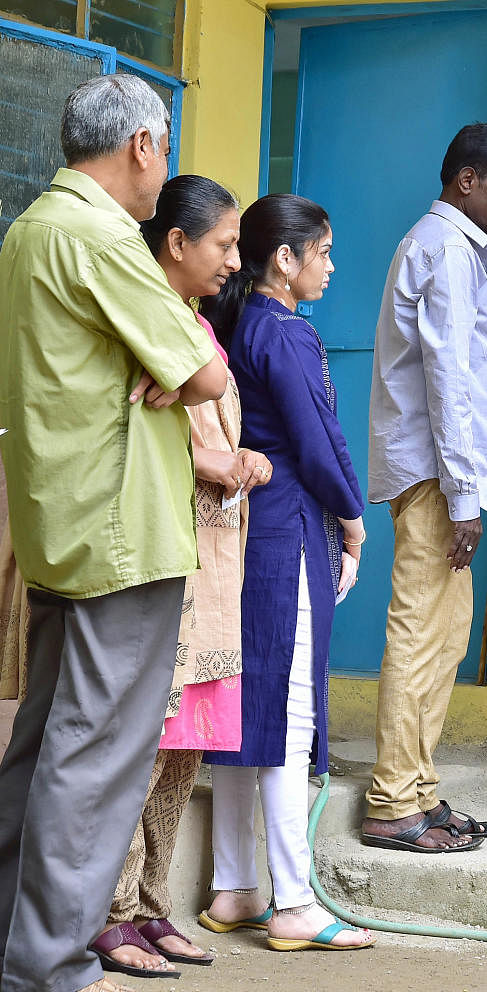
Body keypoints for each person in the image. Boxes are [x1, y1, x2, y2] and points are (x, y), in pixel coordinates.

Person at [0, 75, 227, 992]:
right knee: (94, 762)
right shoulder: (100, 235)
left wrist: (169, 365)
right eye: (162, 147)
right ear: (142, 142)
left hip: (63, 522)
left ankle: (19, 950)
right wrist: (179, 367)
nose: (162, 166)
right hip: (121, 530)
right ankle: (47, 966)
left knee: (44, 744)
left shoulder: (27, 230)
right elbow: (205, 370)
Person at [76, 175, 270, 980]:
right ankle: (110, 912)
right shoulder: (139, 319)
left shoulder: (195, 324)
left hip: (215, 558)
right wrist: (213, 460)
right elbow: (119, 423)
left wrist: (239, 458)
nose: (234, 260)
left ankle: (153, 906)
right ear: (176, 243)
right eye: (224, 244)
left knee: (183, 752)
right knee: (144, 744)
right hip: (164, 553)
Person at [199, 194, 374, 949]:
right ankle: (297, 903)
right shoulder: (288, 334)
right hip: (293, 530)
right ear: (287, 259)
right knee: (291, 710)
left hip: (250, 533)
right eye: (324, 253)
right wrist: (354, 516)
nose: (332, 268)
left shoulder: (242, 327)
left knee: (248, 706)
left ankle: (235, 889)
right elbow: (318, 439)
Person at [363, 123, 487, 853]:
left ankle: (418, 792)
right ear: (467, 181)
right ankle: (394, 802)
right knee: (422, 632)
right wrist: (466, 497)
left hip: (440, 472)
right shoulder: (445, 251)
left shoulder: (453, 249)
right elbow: (450, 381)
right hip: (437, 475)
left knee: (443, 636)